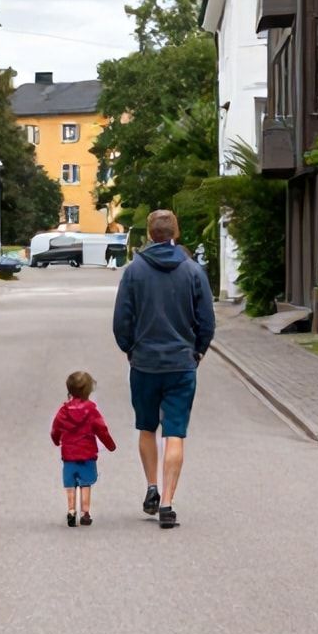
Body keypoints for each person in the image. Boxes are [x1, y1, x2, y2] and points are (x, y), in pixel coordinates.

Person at [111, 209, 215, 530]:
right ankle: (168, 504)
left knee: (146, 427)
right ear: (176, 232)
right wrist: (196, 352)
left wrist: (130, 349)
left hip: (144, 364)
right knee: (175, 433)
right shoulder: (193, 272)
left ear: (148, 233)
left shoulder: (133, 272)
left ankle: (151, 486)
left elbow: (121, 322)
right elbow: (207, 322)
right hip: (181, 365)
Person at [49, 370, 116, 527]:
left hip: (69, 454)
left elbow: (55, 429)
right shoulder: (91, 410)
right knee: (86, 484)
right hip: (87, 454)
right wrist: (110, 445)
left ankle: (71, 511)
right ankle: (85, 512)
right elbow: (102, 429)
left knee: (70, 484)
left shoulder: (63, 411)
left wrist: (56, 440)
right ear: (88, 391)